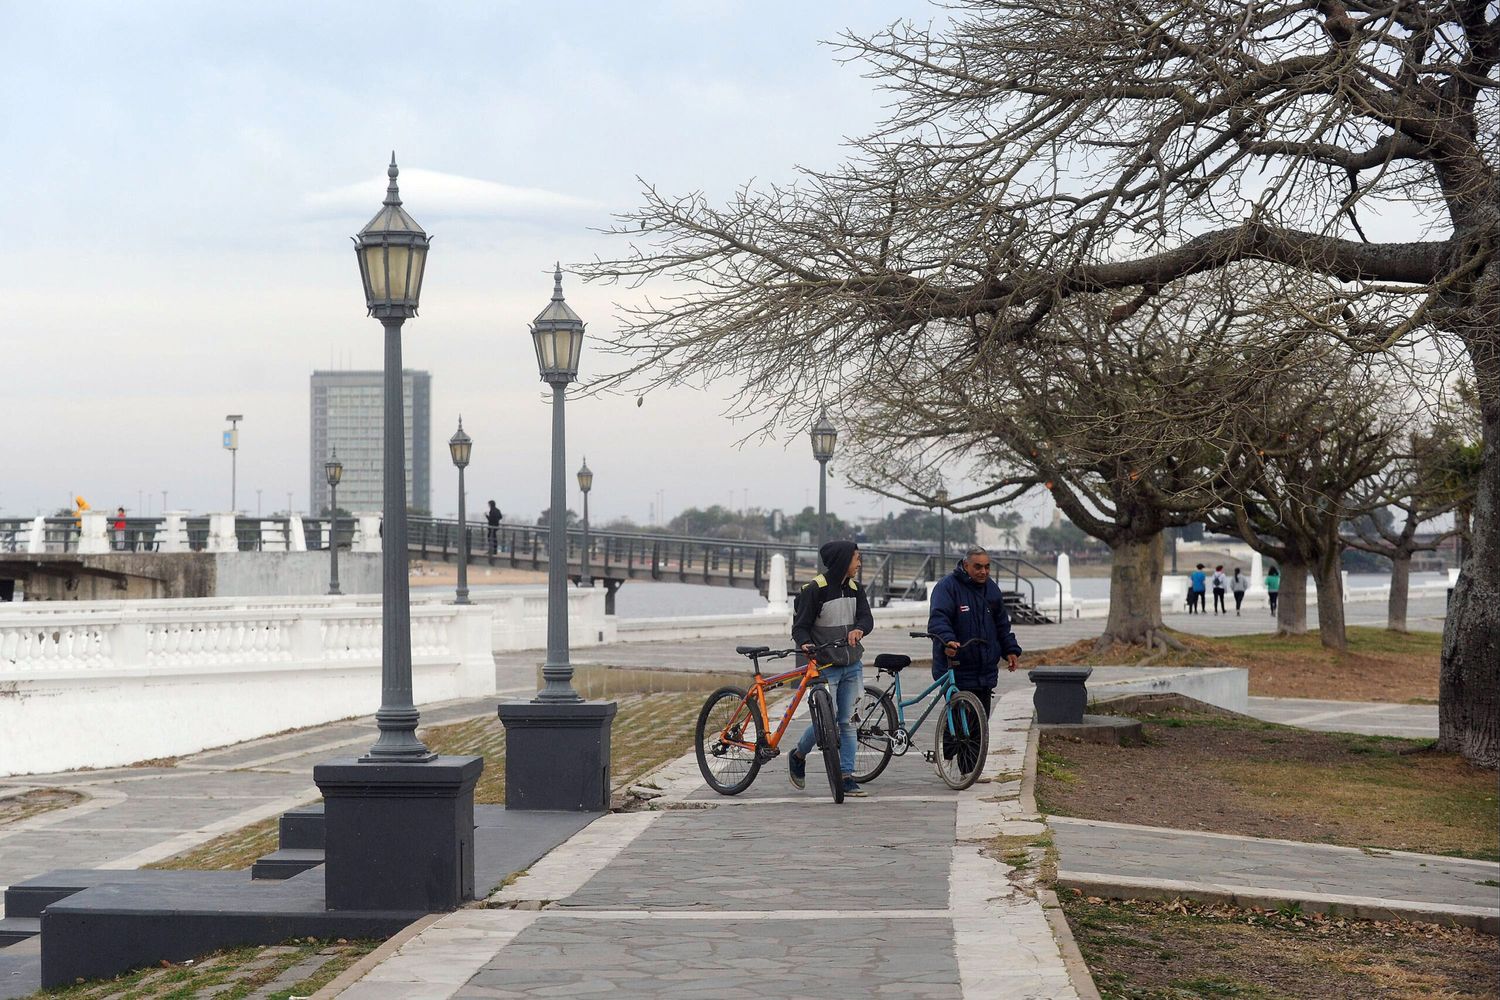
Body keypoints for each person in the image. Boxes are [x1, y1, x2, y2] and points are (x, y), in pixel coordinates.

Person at [787, 540, 874, 798]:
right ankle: (798, 755)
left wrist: (860, 628)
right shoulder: (816, 589)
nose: (859, 563)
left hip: (852, 664)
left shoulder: (856, 589)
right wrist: (805, 643)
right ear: (842, 560)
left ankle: (846, 776)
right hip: (825, 666)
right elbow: (800, 626)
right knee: (827, 721)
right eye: (856, 558)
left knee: (849, 721)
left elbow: (866, 617)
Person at [926, 545, 1022, 719]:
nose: (983, 571)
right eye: (978, 567)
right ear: (965, 565)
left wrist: (1010, 650)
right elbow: (939, 620)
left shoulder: (992, 589)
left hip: (985, 672)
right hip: (957, 669)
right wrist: (947, 640)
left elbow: (1002, 624)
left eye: (987, 567)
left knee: (979, 728)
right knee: (958, 728)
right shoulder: (947, 587)